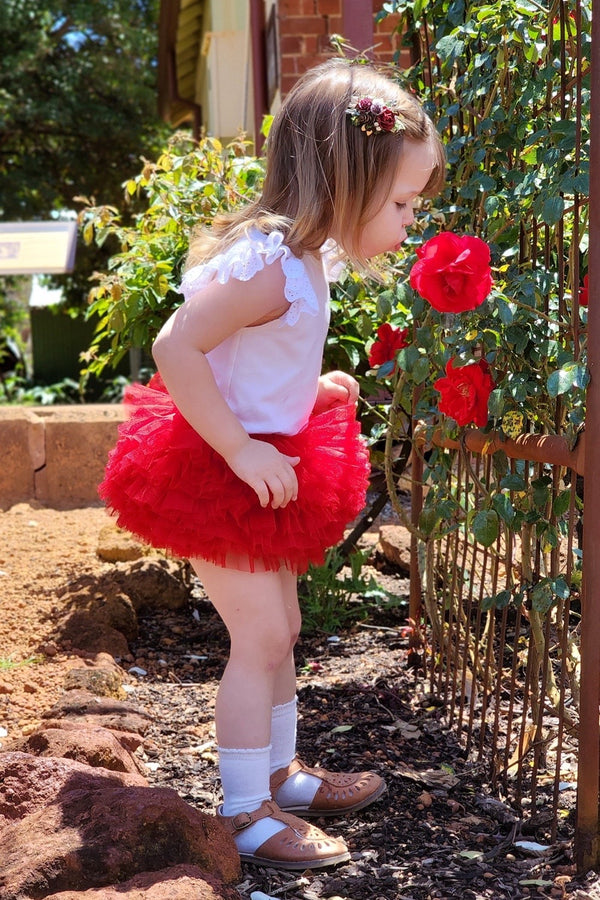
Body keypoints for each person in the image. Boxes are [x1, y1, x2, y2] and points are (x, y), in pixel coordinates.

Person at [99, 57, 446, 870]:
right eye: (401, 203)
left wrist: (307, 391)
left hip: (262, 463)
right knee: (258, 637)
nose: (409, 222)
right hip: (217, 473)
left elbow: (251, 363)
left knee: (283, 630)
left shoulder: (305, 258)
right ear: (348, 180)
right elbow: (176, 347)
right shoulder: (270, 264)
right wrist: (237, 444)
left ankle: (282, 774)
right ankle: (244, 810)